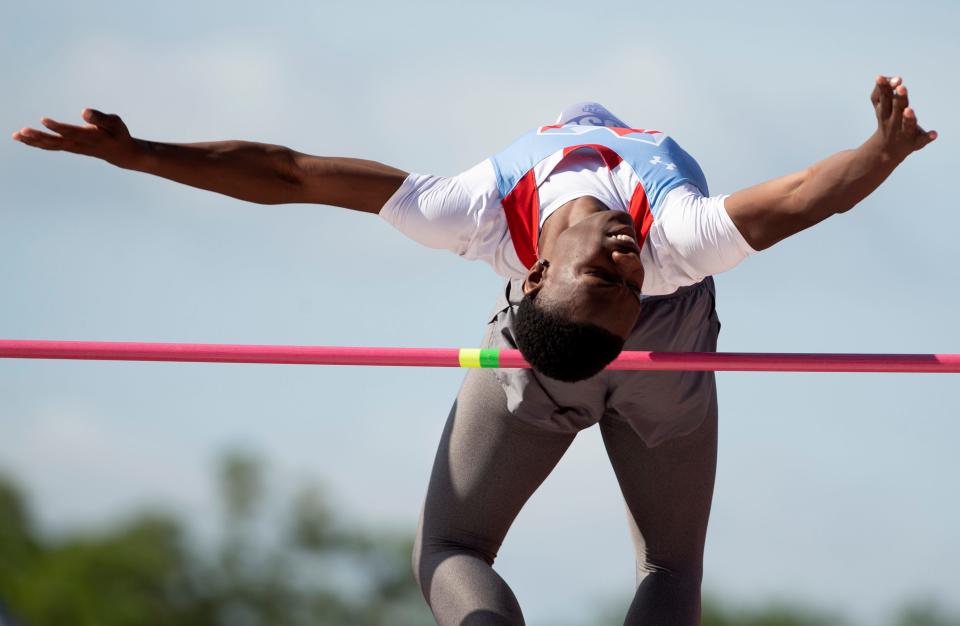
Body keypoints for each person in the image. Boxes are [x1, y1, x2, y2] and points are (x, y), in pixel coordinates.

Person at [13, 76, 936, 624]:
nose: (625, 261)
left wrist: (147, 155)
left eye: (610, 280)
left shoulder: (477, 214)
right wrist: (881, 151)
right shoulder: (676, 240)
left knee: (449, 548)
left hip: (574, 360)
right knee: (671, 567)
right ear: (530, 279)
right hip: (656, 362)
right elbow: (808, 195)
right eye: (624, 280)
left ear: (532, 276)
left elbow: (293, 176)